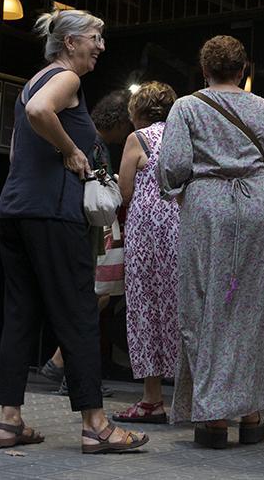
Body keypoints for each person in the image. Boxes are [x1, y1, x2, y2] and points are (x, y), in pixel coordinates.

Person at [0, 8, 148, 455]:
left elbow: (19, 146)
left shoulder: (31, 81)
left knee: (21, 312)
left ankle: (9, 421)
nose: (101, 45)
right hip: (53, 215)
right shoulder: (66, 80)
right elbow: (43, 113)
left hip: (15, 210)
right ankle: (96, 424)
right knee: (79, 311)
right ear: (70, 42)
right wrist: (74, 152)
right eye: (95, 37)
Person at [157, 35, 264, 449]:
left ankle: (213, 419)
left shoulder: (187, 106)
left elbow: (174, 166)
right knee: (255, 306)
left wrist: (177, 189)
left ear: (204, 70)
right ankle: (252, 414)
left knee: (204, 305)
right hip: (259, 206)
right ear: (243, 70)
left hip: (207, 205)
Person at [39, 87, 133, 398]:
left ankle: (62, 363)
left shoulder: (84, 133)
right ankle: (68, 369)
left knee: (94, 298)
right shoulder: (97, 144)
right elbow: (97, 182)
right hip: (96, 228)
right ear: (119, 121)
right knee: (94, 298)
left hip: (80, 223)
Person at [111, 81, 181, 425]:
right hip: (183, 229)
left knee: (145, 308)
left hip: (147, 234)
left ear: (137, 111)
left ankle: (152, 399)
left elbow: (124, 192)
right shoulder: (185, 136)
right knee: (182, 307)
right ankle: (191, 398)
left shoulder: (137, 139)